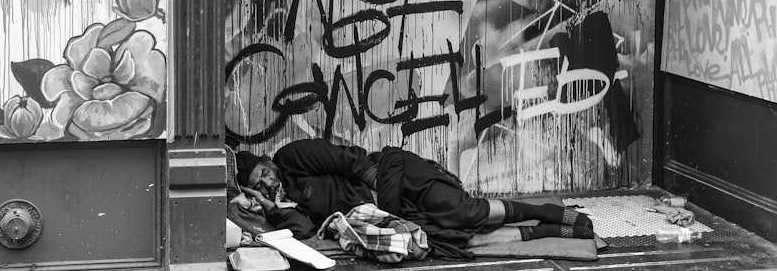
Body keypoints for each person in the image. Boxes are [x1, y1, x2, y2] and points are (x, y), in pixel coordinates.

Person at [235, 139, 594, 258]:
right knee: (452, 239)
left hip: (392, 175)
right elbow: (303, 230)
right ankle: (550, 232)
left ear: (267, 161)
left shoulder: (291, 157)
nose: (267, 181)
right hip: (382, 212)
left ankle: (544, 211)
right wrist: (272, 209)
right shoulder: (285, 206)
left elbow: (349, 161)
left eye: (263, 172)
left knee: (461, 212)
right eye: (259, 184)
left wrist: (386, 207)